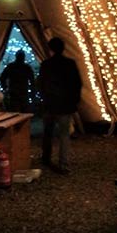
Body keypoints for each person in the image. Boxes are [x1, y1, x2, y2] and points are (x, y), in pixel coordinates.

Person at [37, 37, 82, 174]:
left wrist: (44, 97)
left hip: (50, 104)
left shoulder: (46, 64)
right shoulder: (70, 64)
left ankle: (46, 158)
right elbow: (77, 84)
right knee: (64, 135)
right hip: (65, 105)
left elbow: (40, 83)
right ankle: (63, 163)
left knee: (47, 133)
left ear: (50, 49)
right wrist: (74, 101)